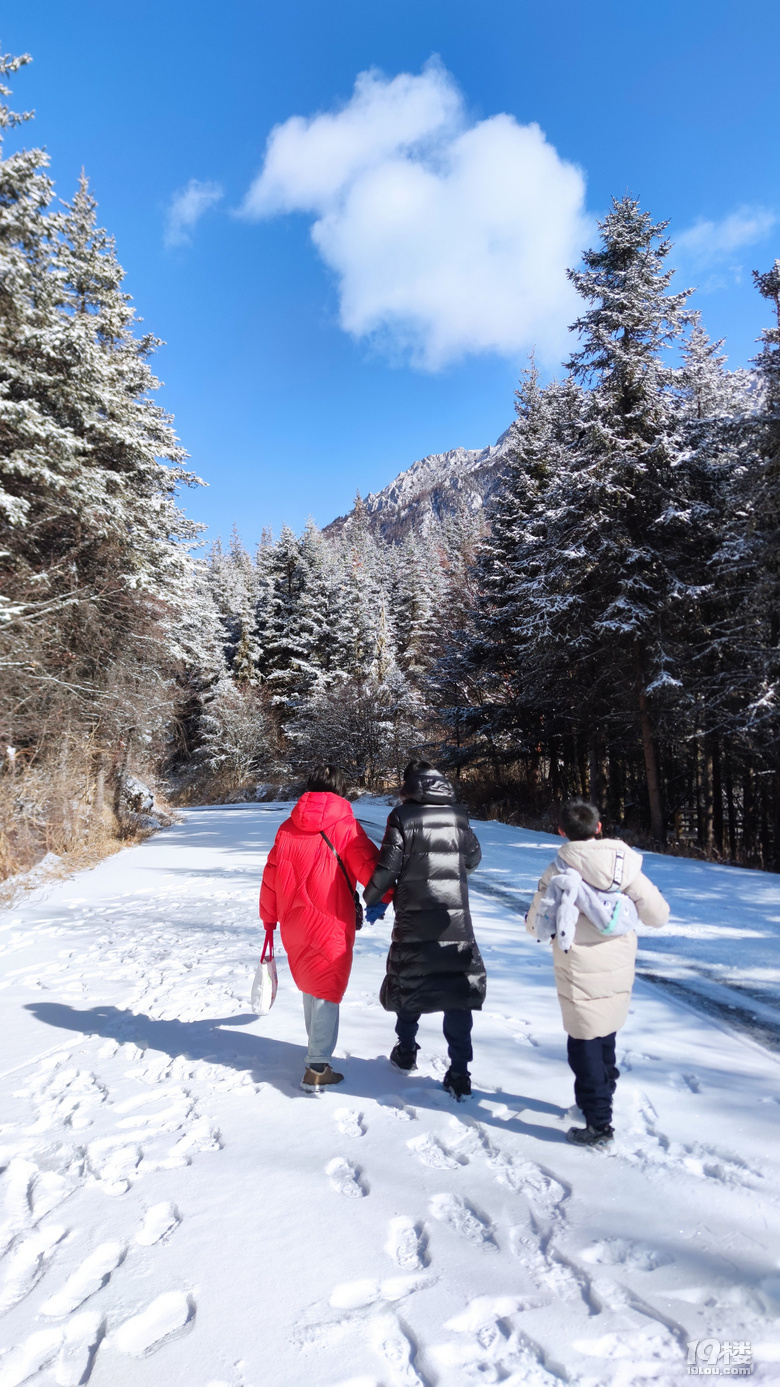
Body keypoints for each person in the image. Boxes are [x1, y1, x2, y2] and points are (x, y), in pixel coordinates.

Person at [526, 798, 669, 1147]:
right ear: (599, 828)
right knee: (605, 1031)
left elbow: (536, 926)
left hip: (578, 965)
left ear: (561, 832)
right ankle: (601, 1096)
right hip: (618, 961)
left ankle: (598, 1125)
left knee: (584, 1041)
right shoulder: (625, 866)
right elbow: (658, 915)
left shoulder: (558, 869)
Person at [363, 760, 485, 1100]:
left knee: (411, 979)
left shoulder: (401, 817)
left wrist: (370, 896)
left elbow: (388, 867)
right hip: (453, 918)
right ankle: (459, 1072)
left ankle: (406, 1051)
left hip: (414, 916)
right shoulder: (457, 815)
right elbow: (473, 859)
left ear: (410, 786)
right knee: (457, 990)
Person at [260, 763, 384, 1092]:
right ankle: (316, 1067)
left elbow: (270, 876)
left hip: (293, 921)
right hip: (331, 920)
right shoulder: (347, 827)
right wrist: (388, 893)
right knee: (326, 987)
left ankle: (316, 1053)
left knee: (311, 984)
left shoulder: (287, 828)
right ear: (340, 790)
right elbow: (373, 874)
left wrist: (269, 919)